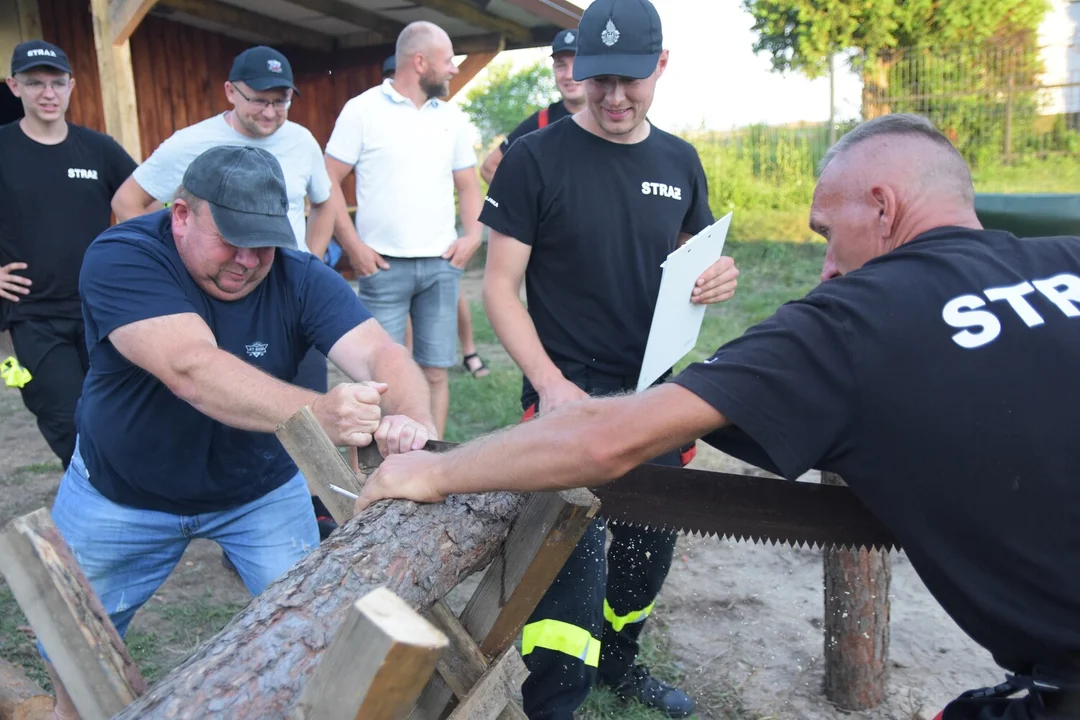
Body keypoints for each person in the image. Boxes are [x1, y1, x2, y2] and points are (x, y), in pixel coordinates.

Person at [358, 111, 1080, 720]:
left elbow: (610, 439)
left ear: (885, 208)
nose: (826, 264)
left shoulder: (852, 324)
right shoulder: (1069, 260)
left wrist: (438, 469)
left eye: (827, 231)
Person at [43, 145, 436, 720]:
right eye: (231, 239)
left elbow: (382, 352)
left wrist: (409, 419)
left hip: (260, 493)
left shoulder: (299, 275)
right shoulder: (123, 256)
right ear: (181, 216)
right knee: (72, 647)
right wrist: (320, 415)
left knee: (323, 636)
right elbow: (192, 370)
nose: (249, 260)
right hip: (119, 491)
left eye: (264, 242)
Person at [474, 0, 739, 716]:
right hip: (567, 397)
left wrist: (718, 275)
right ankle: (554, 701)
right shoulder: (534, 159)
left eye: (631, 80)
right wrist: (551, 384)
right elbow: (499, 289)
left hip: (655, 398)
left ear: (661, 66)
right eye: (600, 81)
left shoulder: (679, 160)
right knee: (570, 564)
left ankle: (621, 665)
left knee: (645, 553)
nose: (615, 97)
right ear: (577, 74)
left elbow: (692, 260)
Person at [110, 45, 341, 538]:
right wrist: (170, 269)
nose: (271, 112)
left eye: (282, 101)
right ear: (230, 92)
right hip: (218, 296)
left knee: (306, 402)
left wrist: (312, 260)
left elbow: (325, 202)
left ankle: (309, 505)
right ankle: (232, 513)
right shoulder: (189, 143)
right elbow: (127, 202)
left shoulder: (300, 140)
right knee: (232, 402)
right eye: (260, 100)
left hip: (284, 293)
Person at [324, 21, 484, 437]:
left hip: (441, 266)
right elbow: (326, 182)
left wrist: (472, 235)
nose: (453, 69)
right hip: (383, 268)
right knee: (377, 381)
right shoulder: (362, 110)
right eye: (448, 60)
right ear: (420, 61)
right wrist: (353, 246)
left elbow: (469, 185)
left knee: (434, 373)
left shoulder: (451, 117)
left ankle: (435, 467)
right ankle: (379, 478)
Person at [0, 40, 136, 469]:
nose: (48, 93)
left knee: (119, 414)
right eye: (34, 82)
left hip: (103, 311)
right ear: (13, 86)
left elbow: (147, 207)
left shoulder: (98, 149)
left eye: (57, 82)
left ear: (72, 85)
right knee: (67, 421)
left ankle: (128, 507)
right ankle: (99, 507)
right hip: (32, 316)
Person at [381, 51, 490, 379]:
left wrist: (472, 234)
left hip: (439, 239)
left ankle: (469, 350)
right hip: (396, 245)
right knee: (407, 314)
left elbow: (467, 182)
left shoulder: (443, 119)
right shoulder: (380, 120)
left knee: (454, 297)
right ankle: (410, 363)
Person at [478, 28, 585, 184]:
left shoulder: (614, 117)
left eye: (577, 64)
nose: (569, 75)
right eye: (561, 66)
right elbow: (489, 168)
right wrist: (531, 204)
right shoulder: (541, 122)